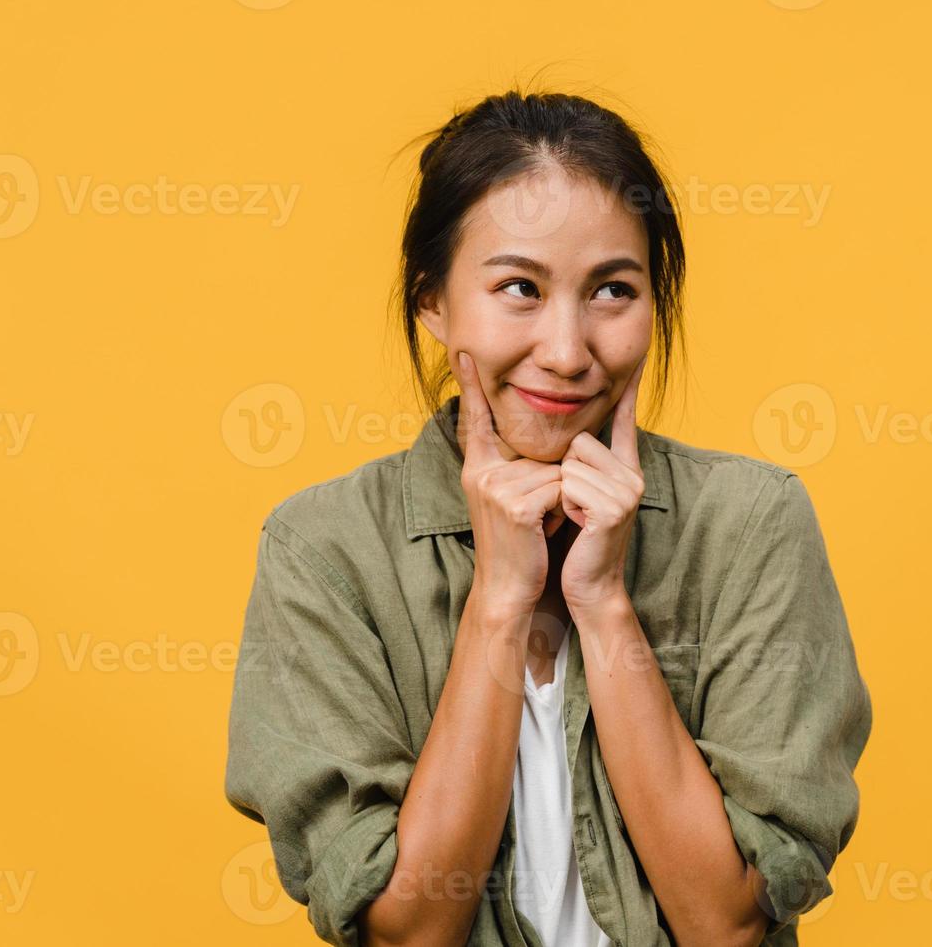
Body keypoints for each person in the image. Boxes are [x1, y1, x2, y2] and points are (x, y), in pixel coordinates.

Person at [223, 89, 871, 946]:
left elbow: (727, 922)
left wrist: (602, 600)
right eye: (519, 288)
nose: (567, 353)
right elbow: (404, 933)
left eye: (612, 291)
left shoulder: (752, 523)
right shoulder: (324, 549)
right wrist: (497, 601)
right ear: (432, 302)